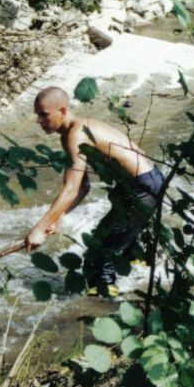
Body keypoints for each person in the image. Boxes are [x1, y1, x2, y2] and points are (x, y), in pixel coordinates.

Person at [25, 86, 164, 296]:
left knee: (99, 256)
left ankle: (103, 302)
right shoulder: (81, 128)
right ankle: (138, 284)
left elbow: (71, 189)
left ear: (62, 111)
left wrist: (38, 228)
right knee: (118, 246)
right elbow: (83, 187)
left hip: (141, 187)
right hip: (147, 182)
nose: (39, 121)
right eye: (37, 115)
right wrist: (56, 218)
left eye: (43, 114)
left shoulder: (75, 135)